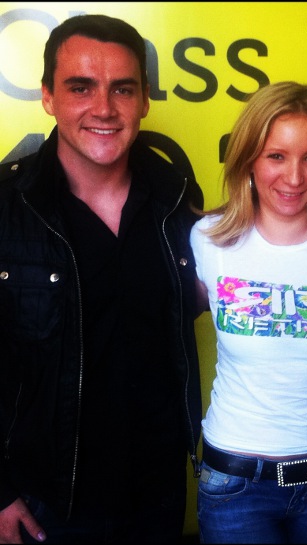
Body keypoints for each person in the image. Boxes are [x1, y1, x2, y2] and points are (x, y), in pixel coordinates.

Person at [0, 14, 203, 544]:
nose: (105, 108)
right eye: (80, 87)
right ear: (47, 97)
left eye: (123, 89)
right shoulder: (6, 207)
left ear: (145, 101)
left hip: (160, 496)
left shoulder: (176, 201)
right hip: (44, 506)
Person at [190, 81, 307, 544]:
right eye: (276, 156)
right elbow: (158, 337)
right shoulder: (210, 239)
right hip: (235, 484)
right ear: (249, 159)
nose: (294, 178)